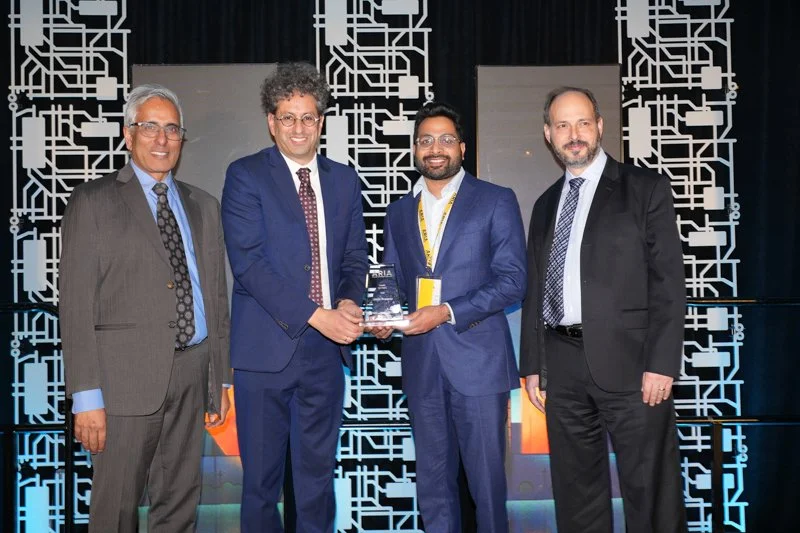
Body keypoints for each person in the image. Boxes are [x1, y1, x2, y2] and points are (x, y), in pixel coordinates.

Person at [59, 83, 231, 532]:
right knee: (114, 512)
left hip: (192, 375)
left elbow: (215, 298)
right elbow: (75, 305)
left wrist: (219, 378)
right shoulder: (93, 202)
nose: (161, 139)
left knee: (178, 507)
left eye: (171, 129)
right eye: (149, 126)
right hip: (120, 388)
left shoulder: (204, 207)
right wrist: (86, 397)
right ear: (127, 134)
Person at [519, 86, 688, 532]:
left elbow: (669, 283)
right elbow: (536, 289)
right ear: (547, 134)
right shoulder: (544, 205)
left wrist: (662, 364)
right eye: (562, 125)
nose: (573, 134)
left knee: (650, 494)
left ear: (600, 126)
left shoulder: (645, 189)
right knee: (577, 497)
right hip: (562, 367)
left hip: (635, 369)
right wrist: (533, 364)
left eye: (582, 122)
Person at [221, 62, 369, 532]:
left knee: (317, 483)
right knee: (261, 488)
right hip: (263, 355)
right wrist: (316, 315)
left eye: (308, 117)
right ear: (271, 121)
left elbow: (354, 260)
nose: (299, 127)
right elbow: (249, 265)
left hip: (325, 357)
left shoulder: (344, 180)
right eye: (288, 117)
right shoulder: (245, 176)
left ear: (321, 121)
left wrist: (347, 302)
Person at [373, 102, 527, 532]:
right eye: (425, 140)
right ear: (414, 149)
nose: (434, 148)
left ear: (461, 146)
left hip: (478, 362)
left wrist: (446, 312)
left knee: (486, 486)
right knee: (433, 485)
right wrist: (386, 318)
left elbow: (514, 280)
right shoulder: (400, 211)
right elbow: (397, 283)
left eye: (444, 139)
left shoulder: (496, 200)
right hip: (422, 362)